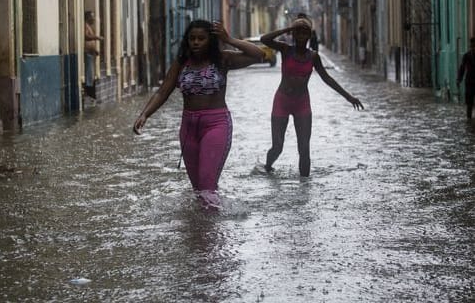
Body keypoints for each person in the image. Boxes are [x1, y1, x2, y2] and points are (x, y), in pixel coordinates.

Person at [133, 19, 264, 208]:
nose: (195, 42)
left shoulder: (223, 59)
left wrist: (229, 39)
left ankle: (210, 232)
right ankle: (198, 231)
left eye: (201, 38)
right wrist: (145, 114)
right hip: (188, 129)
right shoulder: (181, 64)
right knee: (198, 190)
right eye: (192, 38)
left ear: (210, 41)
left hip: (216, 125)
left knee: (207, 187)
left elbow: (258, 55)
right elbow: (163, 91)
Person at [260, 13, 364, 177]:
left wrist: (348, 96)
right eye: (298, 32)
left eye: (304, 32)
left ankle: (305, 187)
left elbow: (327, 78)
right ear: (293, 34)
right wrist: (288, 28)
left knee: (304, 148)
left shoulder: (313, 56)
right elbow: (264, 39)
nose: (301, 36)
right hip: (282, 101)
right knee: (278, 146)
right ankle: (267, 167)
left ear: (309, 35)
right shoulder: (286, 50)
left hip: (302, 103)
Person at [84, 11, 103, 99]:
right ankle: (89, 94)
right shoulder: (85, 26)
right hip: (87, 54)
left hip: (91, 54)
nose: (94, 19)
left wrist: (95, 50)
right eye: (92, 17)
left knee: (91, 75)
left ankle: (91, 95)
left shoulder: (89, 27)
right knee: (89, 74)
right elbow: (86, 36)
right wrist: (97, 37)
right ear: (88, 18)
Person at [457, 37, 475, 120]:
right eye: (472, 46)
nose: (473, 47)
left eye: (474, 46)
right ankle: (469, 119)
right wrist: (459, 79)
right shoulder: (466, 56)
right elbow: (462, 68)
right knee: (469, 103)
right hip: (469, 82)